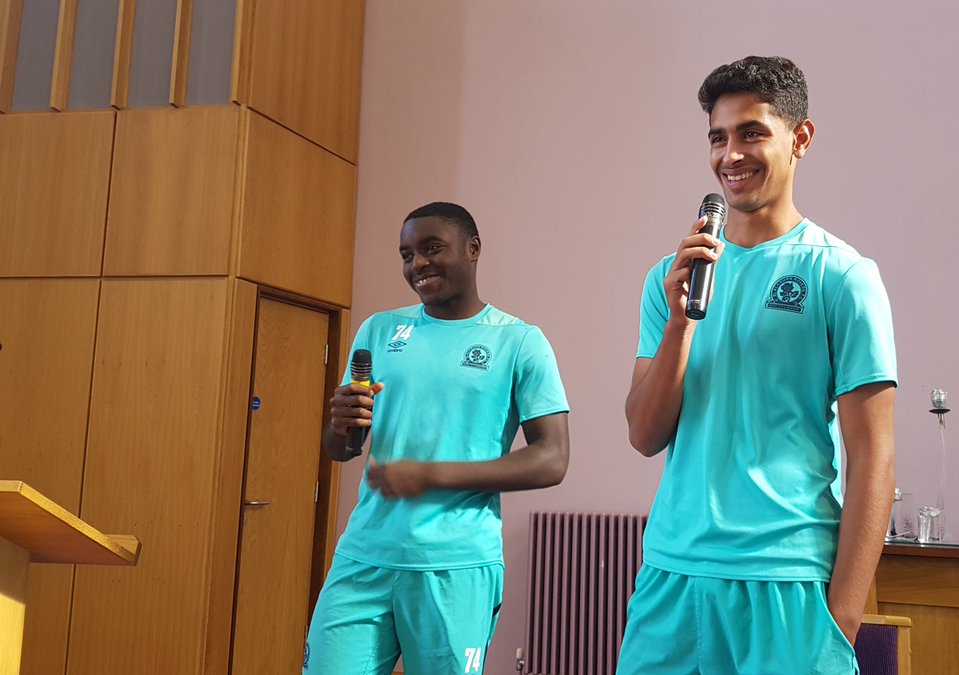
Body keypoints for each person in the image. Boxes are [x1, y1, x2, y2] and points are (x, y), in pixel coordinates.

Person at [618, 56, 897, 674]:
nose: (730, 155)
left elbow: (873, 456)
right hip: (673, 574)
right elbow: (643, 435)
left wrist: (841, 621)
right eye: (718, 137)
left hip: (787, 580)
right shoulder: (671, 280)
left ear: (800, 140)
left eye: (751, 133)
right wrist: (680, 323)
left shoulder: (842, 276)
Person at [304, 201, 571, 675]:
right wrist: (340, 424)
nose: (417, 264)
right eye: (406, 254)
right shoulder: (379, 329)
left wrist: (431, 475)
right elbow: (341, 449)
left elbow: (551, 459)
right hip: (364, 555)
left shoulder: (519, 341)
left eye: (431, 248)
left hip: (456, 565)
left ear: (473, 249)